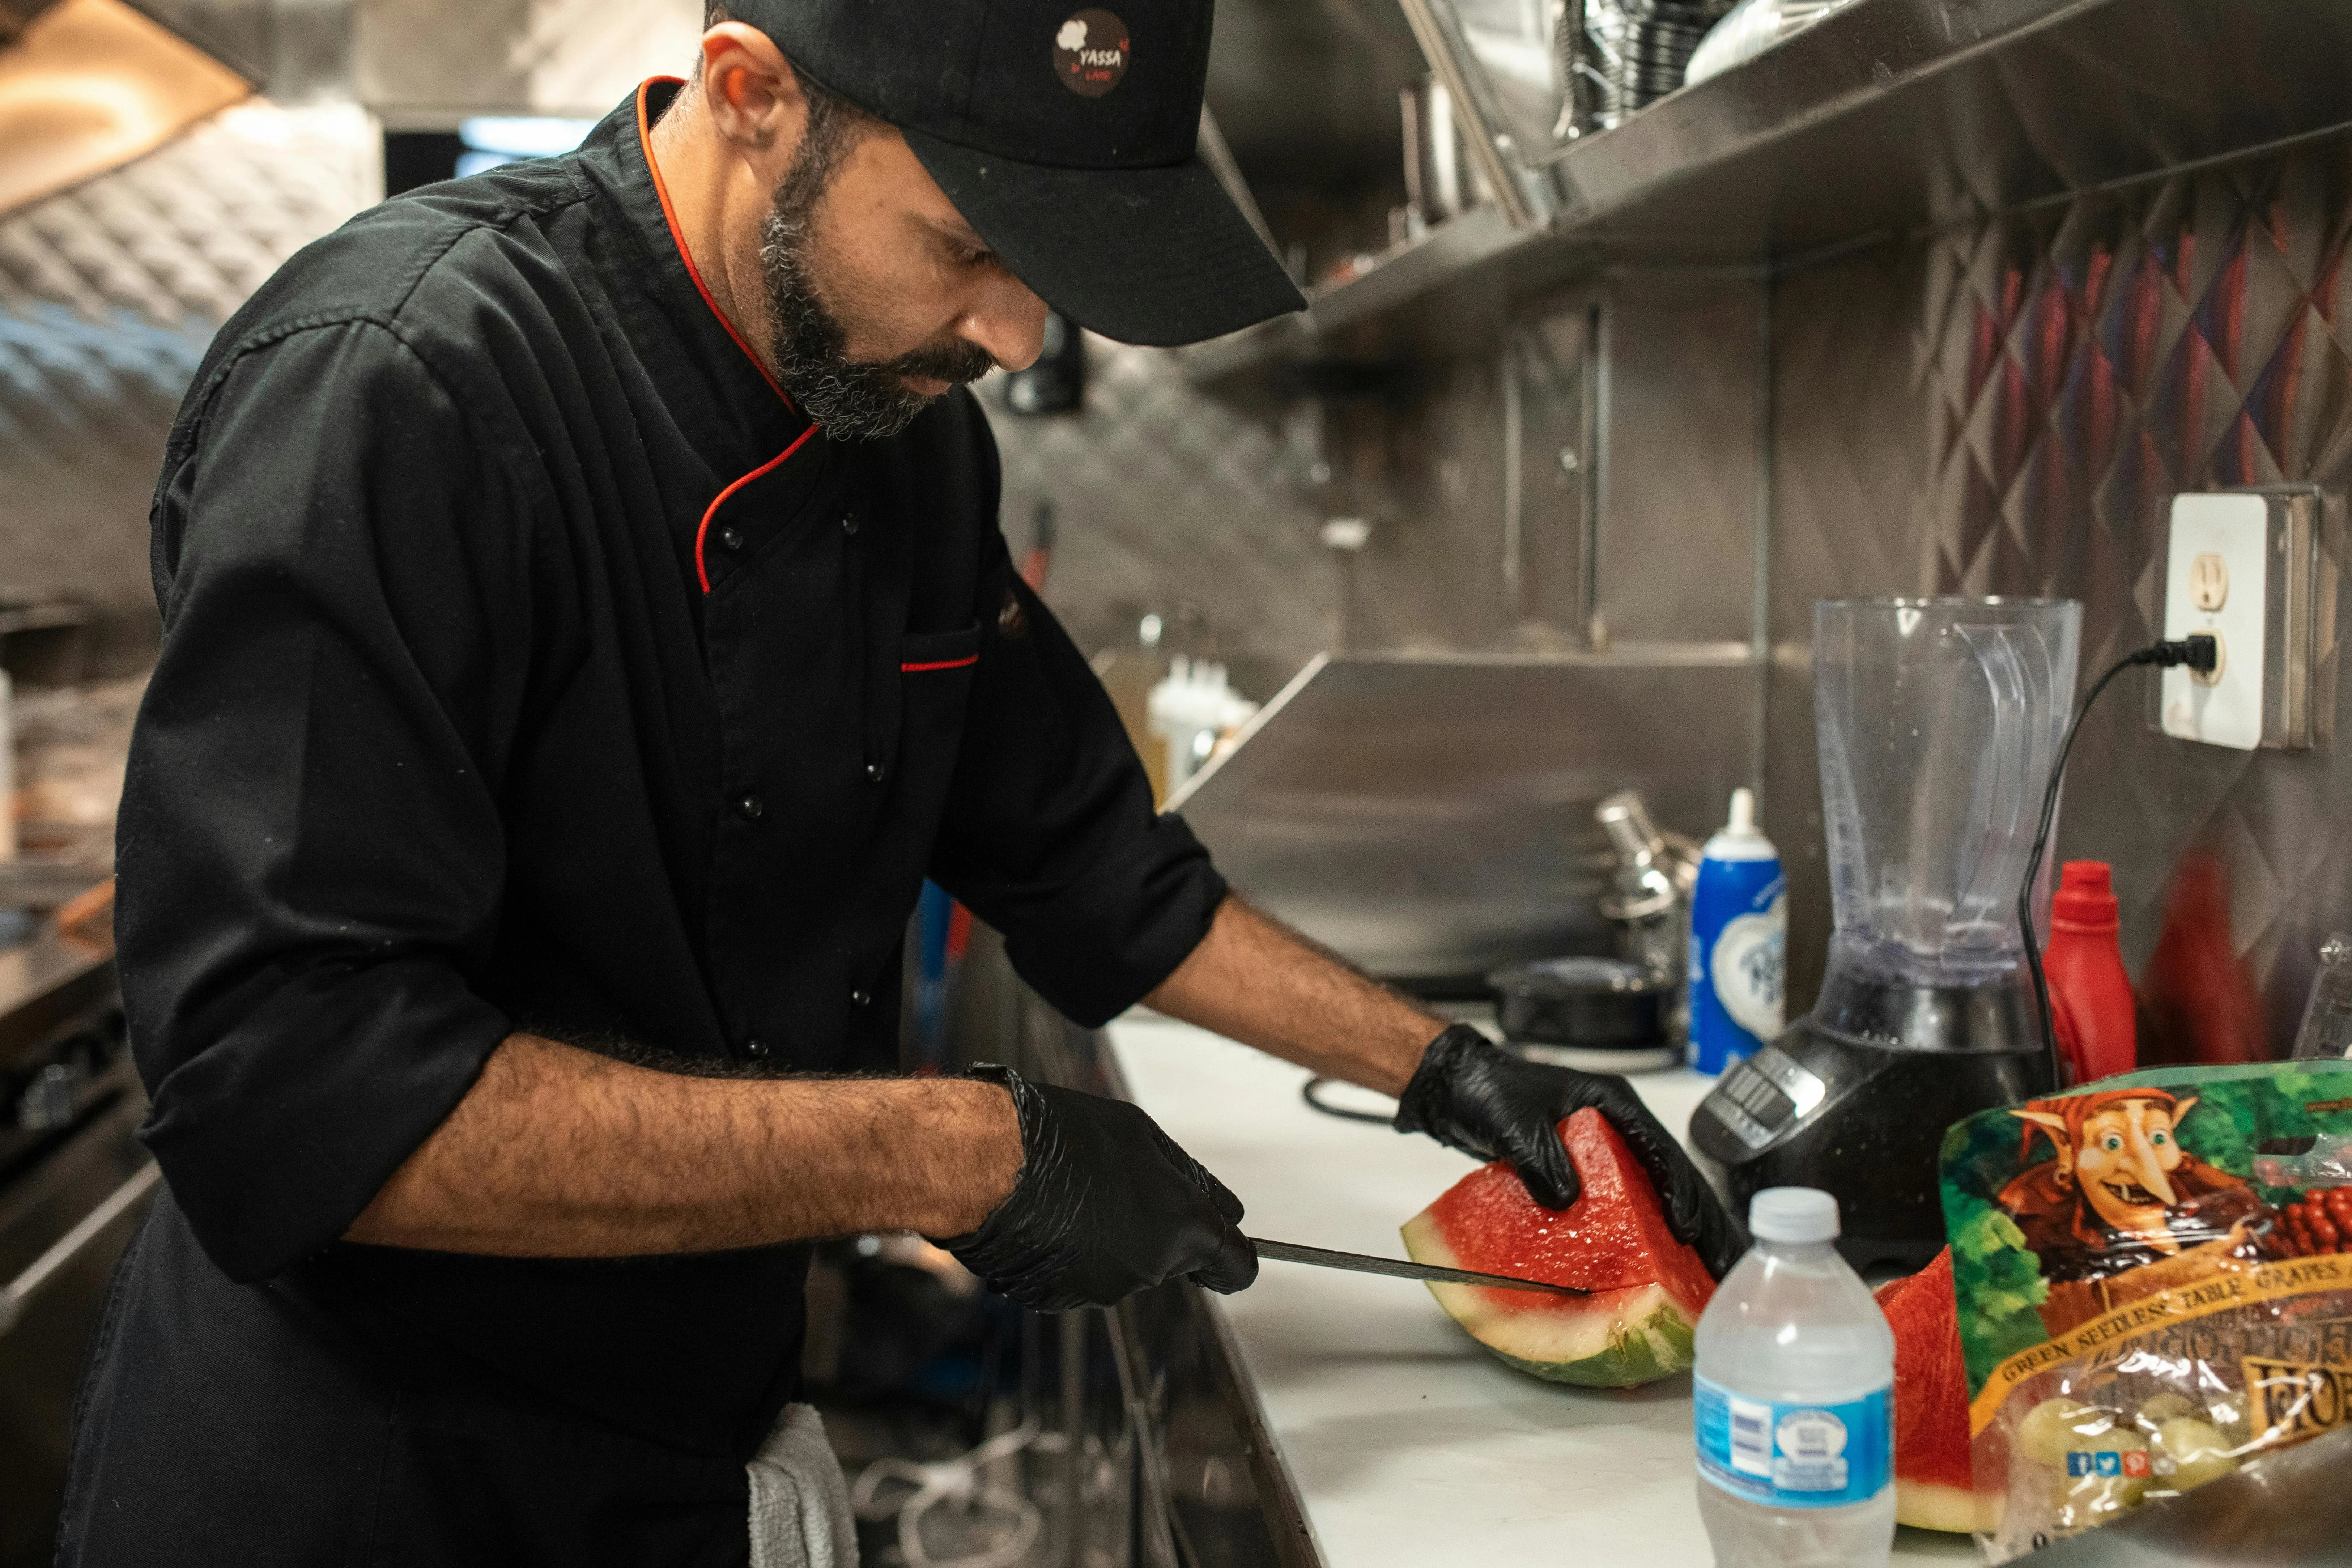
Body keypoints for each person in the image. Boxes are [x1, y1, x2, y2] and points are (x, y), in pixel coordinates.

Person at [57, 1, 1742, 1563]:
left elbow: (1095, 876)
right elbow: (290, 1092)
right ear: (751, 95)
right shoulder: (402, 376)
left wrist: (1448, 1071)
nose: (1012, 333)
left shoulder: (903, 436)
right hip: (366, 1482)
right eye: (969, 244)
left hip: (689, 1428)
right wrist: (955, 1152)